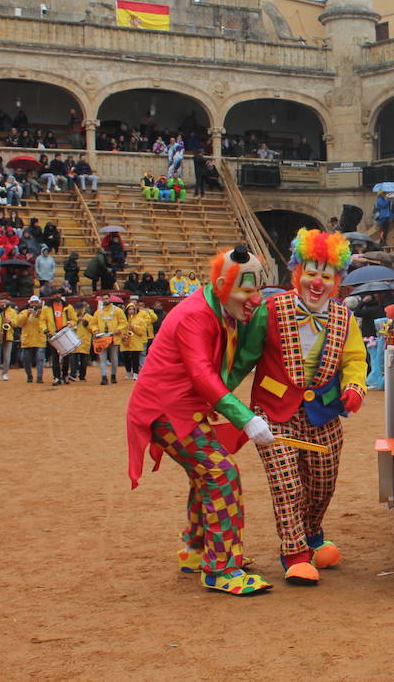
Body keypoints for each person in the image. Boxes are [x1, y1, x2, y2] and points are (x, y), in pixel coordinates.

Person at [124, 245, 274, 596]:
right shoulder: (195, 315)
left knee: (205, 472)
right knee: (221, 473)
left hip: (184, 409)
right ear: (222, 284)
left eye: (257, 291)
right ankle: (221, 568)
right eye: (247, 291)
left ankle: (196, 548)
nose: (253, 300)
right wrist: (245, 419)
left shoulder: (220, 312)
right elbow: (202, 376)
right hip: (166, 411)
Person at [242, 229, 367, 585]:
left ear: (337, 280)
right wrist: (218, 393)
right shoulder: (270, 309)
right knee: (287, 484)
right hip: (273, 409)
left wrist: (355, 386)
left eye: (326, 276)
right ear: (297, 272)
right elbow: (245, 356)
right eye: (311, 273)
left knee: (323, 481)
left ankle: (313, 536)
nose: (317, 282)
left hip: (323, 412)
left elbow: (356, 359)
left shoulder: (345, 318)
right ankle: (294, 551)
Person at [15, 295, 51, 384]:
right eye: (32, 302)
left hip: (40, 339)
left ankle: (39, 377)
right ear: (29, 303)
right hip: (27, 340)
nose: (34, 304)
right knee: (25, 359)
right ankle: (29, 376)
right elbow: (18, 323)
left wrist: (39, 315)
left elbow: (47, 322)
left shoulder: (44, 312)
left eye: (36, 302)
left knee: (40, 359)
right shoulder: (24, 312)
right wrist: (28, 314)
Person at [44, 292, 77, 385]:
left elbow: (74, 319)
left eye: (58, 294)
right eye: (55, 294)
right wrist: (46, 330)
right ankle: (56, 377)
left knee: (66, 357)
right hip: (53, 335)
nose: (56, 296)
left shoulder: (68, 307)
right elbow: (42, 321)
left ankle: (65, 375)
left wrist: (71, 323)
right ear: (52, 296)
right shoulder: (47, 308)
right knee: (55, 357)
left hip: (64, 334)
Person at [92, 296, 127, 384]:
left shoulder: (117, 310)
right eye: (104, 299)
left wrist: (118, 330)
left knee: (114, 358)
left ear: (110, 299)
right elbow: (93, 323)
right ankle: (104, 377)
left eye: (107, 298)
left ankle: (113, 375)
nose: (105, 300)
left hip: (114, 337)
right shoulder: (98, 312)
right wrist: (95, 330)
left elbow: (123, 322)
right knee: (102, 358)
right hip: (102, 338)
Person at [120, 300, 150, 381]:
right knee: (126, 357)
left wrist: (135, 328)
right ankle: (128, 372)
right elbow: (120, 328)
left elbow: (142, 330)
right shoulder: (123, 319)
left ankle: (136, 373)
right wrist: (122, 335)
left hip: (136, 341)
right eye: (129, 309)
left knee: (135, 357)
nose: (131, 311)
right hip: (126, 341)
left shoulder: (140, 319)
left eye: (133, 309)